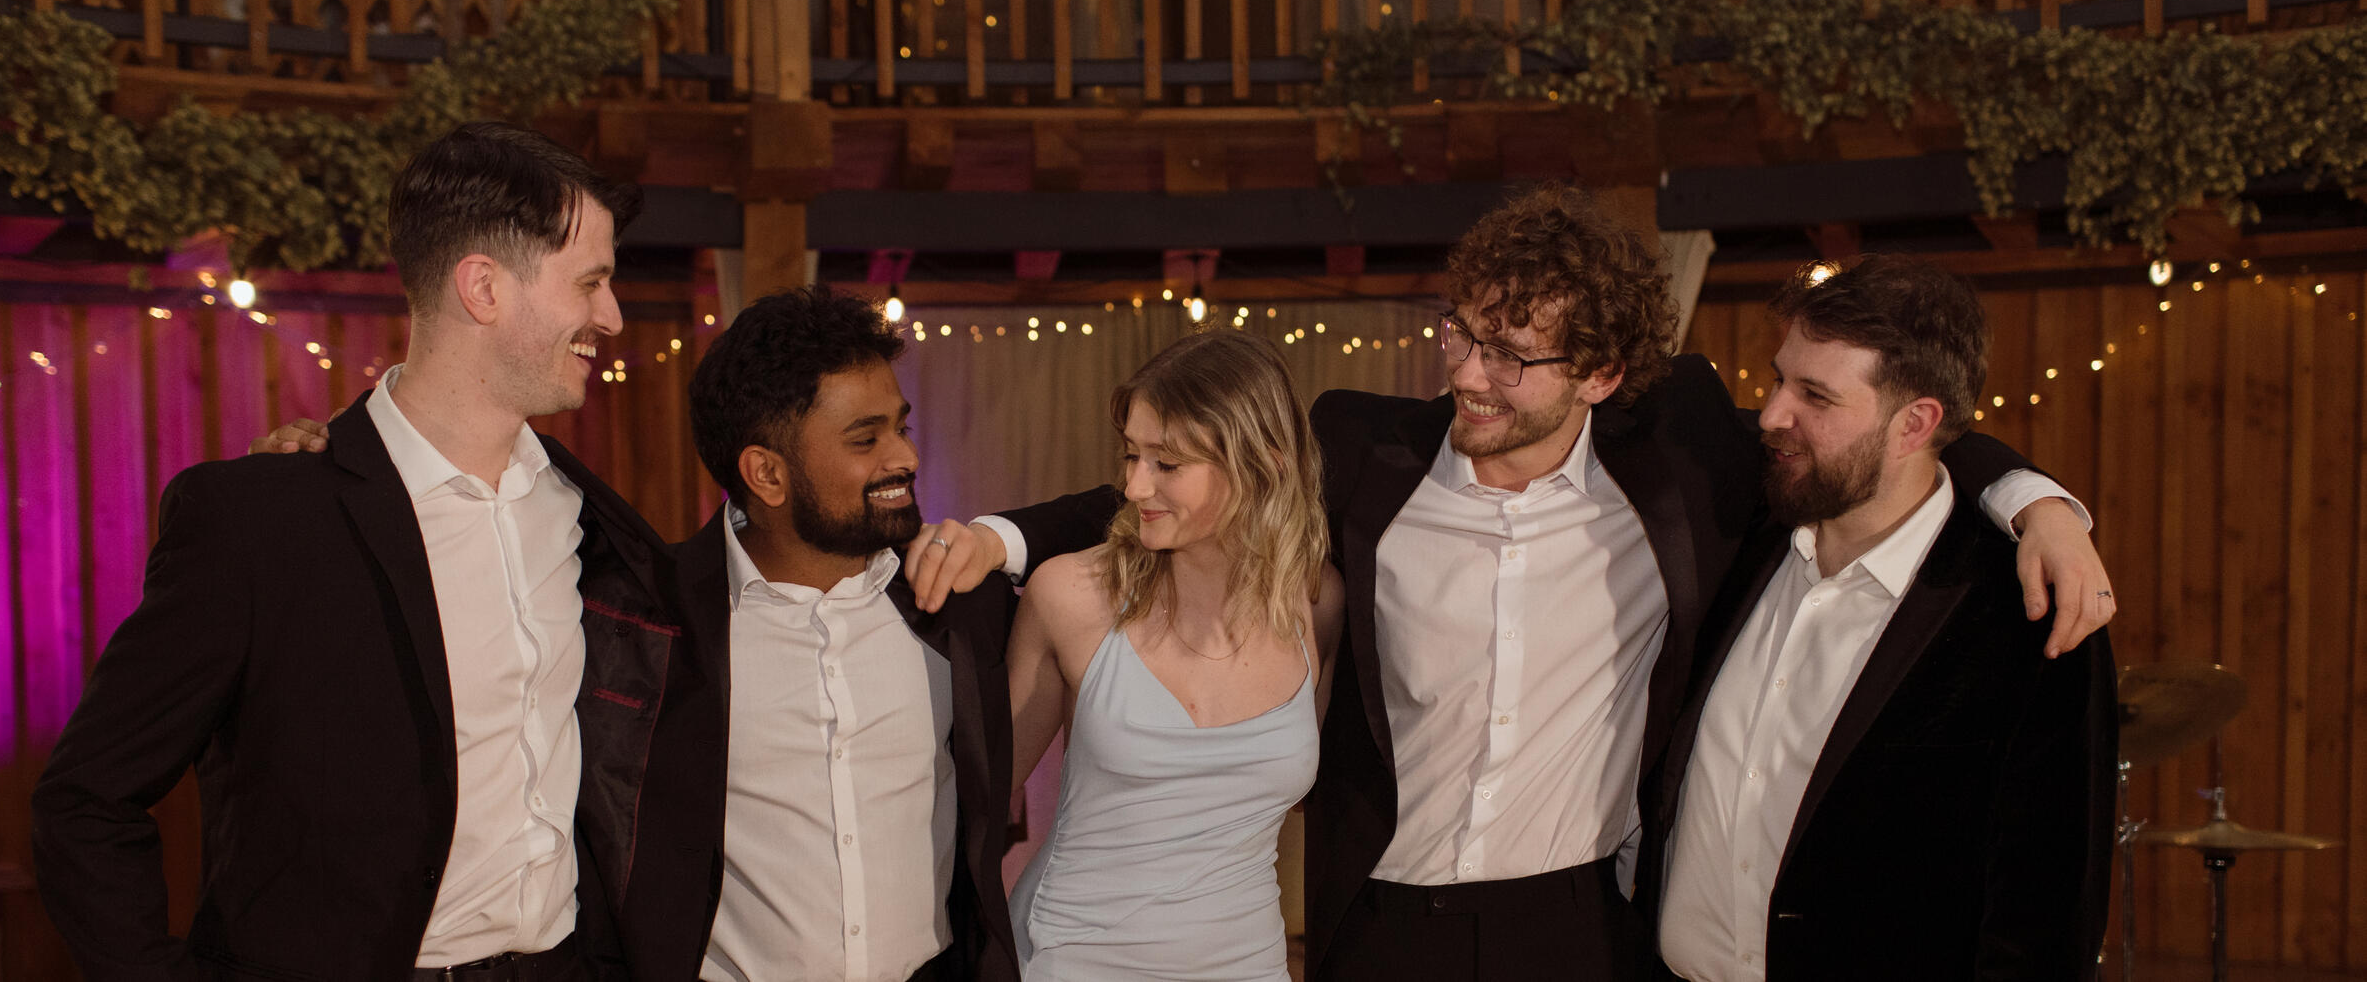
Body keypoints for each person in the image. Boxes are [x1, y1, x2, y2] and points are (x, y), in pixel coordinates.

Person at [901, 185, 2115, 982]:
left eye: (1511, 354)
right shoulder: (1362, 453)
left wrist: (2033, 499)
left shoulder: (1685, 461)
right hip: (1379, 920)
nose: (1469, 374)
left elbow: (1876, 440)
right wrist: (1005, 537)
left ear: (1602, 376)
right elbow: (1194, 479)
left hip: (1578, 928)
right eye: (1462, 331)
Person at [31, 122, 712, 980]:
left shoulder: (585, 515)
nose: (610, 315)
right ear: (483, 288)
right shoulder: (262, 520)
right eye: (590, 282)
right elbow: (85, 801)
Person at [1637, 256, 2115, 981]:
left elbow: (2045, 915)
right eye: (1778, 379)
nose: (1771, 415)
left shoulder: (2024, 610)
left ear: (1914, 423)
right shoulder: (1738, 529)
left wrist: (2039, 507)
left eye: (1815, 396)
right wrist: (2032, 494)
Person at [677, 285, 1020, 982]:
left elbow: (1111, 516)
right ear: (767, 474)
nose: (906, 457)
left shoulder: (950, 600)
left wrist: (999, 537)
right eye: (866, 439)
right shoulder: (665, 620)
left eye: (901, 427)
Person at [1005, 330, 1346, 981]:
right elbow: (978, 800)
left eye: (1166, 463)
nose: (1135, 486)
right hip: (1070, 960)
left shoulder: (1317, 600)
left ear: (1265, 465)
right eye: (1132, 455)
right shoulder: (1071, 597)